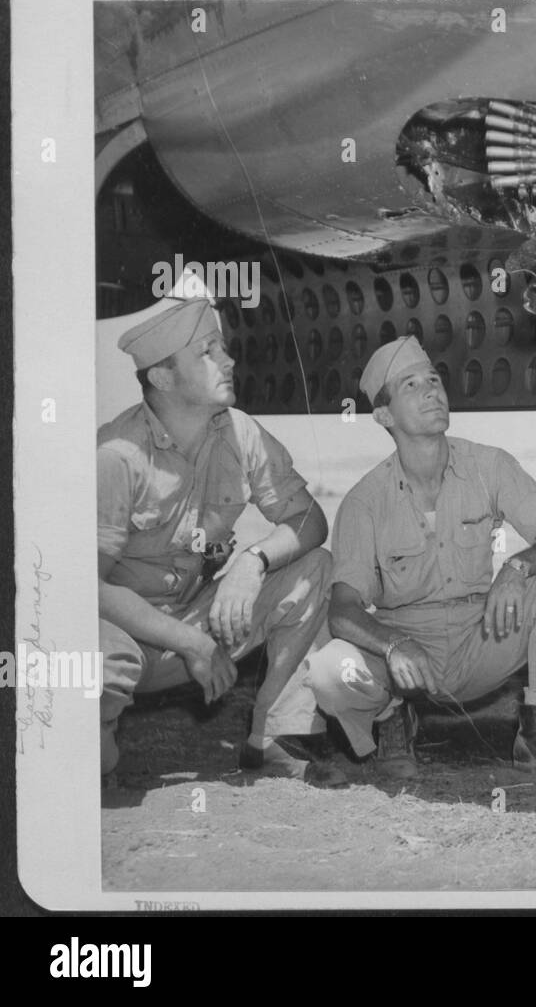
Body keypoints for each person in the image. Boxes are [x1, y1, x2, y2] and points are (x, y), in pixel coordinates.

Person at [307, 336, 536, 780]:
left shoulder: (489, 466)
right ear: (384, 415)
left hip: (483, 636)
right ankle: (391, 719)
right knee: (331, 670)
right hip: (407, 655)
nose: (431, 391)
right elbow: (343, 610)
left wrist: (516, 568)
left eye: (433, 379)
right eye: (410, 385)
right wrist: (393, 644)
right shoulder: (364, 502)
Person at [98, 296, 342, 784]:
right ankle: (93, 738)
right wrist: (191, 643)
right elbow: (89, 588)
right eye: (207, 352)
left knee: (314, 568)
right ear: (163, 377)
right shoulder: (116, 456)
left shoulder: (240, 432)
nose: (228, 361)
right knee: (93, 689)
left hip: (193, 619)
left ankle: (275, 737)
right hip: (122, 635)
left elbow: (309, 520)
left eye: (223, 348)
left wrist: (253, 561)